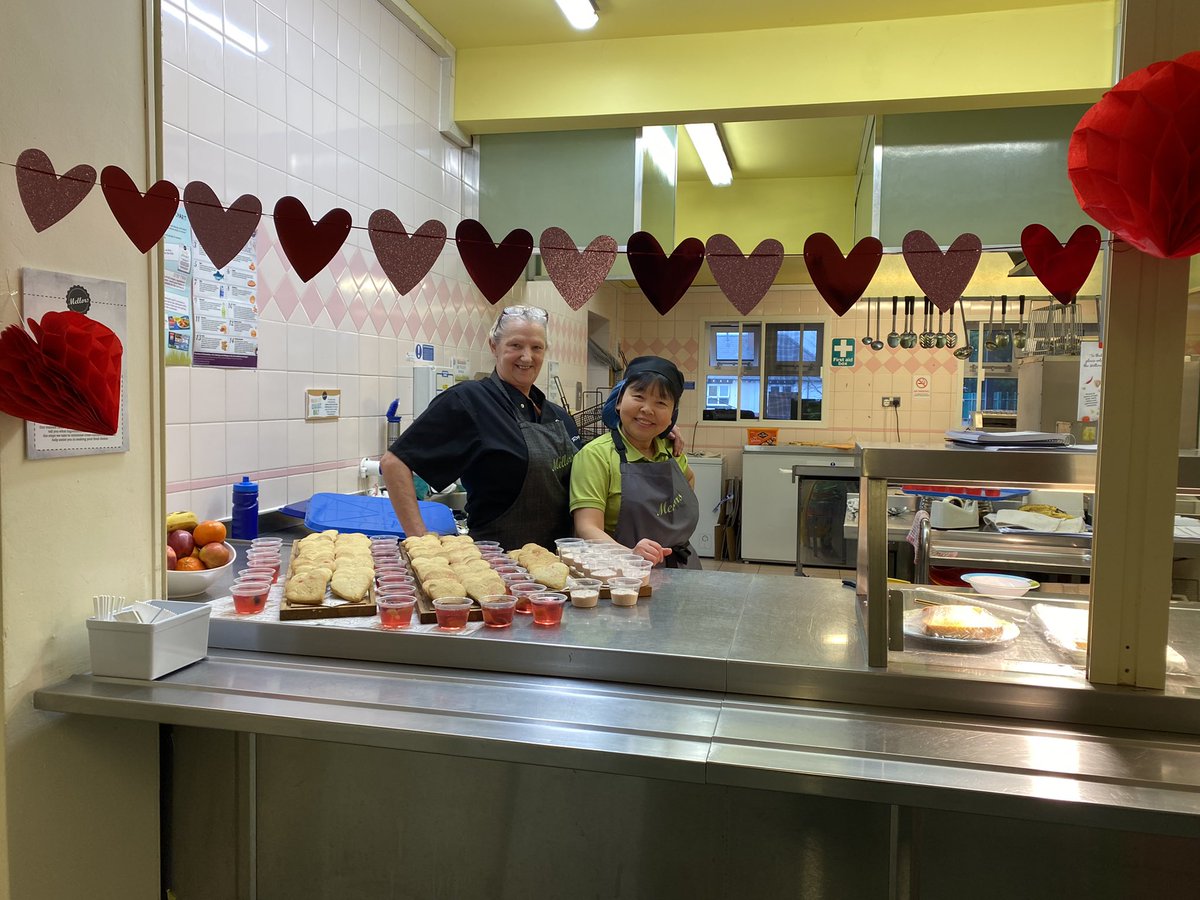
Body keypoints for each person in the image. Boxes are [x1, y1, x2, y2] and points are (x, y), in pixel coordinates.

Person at [380, 305, 581, 549]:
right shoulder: (470, 401)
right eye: (515, 345)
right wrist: (420, 543)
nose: (527, 357)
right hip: (498, 566)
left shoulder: (557, 415)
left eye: (536, 347)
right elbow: (394, 463)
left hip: (558, 567)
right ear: (494, 346)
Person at [569, 356, 701, 568]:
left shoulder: (669, 450)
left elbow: (689, 479)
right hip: (622, 572)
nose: (647, 409)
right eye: (639, 396)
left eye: (661, 402)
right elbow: (587, 528)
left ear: (672, 415)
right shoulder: (595, 456)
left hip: (681, 567)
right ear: (619, 400)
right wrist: (630, 554)